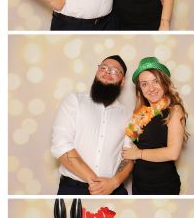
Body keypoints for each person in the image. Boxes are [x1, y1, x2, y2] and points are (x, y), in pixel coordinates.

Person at [51, 55, 134, 195]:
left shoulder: (127, 116)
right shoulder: (74, 101)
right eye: (103, 68)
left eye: (114, 71)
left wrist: (113, 183)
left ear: (122, 81)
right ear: (97, 72)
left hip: (113, 188)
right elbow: (61, 145)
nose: (107, 72)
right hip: (73, 189)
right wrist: (96, 183)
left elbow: (129, 156)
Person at [122, 57, 188, 194]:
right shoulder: (140, 115)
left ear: (164, 82)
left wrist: (138, 154)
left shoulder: (174, 110)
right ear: (140, 89)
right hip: (139, 185)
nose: (151, 88)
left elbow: (173, 153)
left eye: (155, 81)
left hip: (162, 186)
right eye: (144, 84)